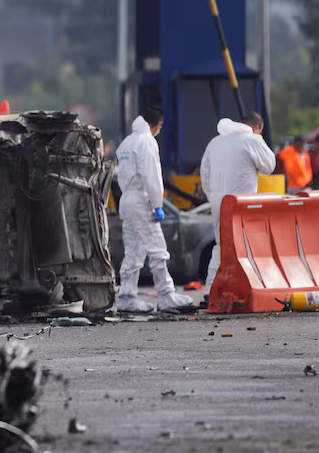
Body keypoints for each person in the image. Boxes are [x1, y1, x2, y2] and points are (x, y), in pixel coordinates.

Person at [114, 108, 193, 314]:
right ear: (157, 124)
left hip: (126, 200)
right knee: (157, 249)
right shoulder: (146, 142)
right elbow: (152, 176)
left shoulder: (126, 143)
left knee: (133, 252)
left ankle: (126, 297)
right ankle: (166, 295)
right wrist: (157, 204)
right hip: (141, 200)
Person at [200, 111, 276, 294]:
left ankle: (211, 291)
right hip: (242, 203)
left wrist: (212, 196)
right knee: (246, 245)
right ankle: (246, 290)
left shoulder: (215, 142)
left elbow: (204, 174)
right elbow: (269, 167)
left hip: (218, 202)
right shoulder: (253, 140)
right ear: (257, 128)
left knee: (221, 245)